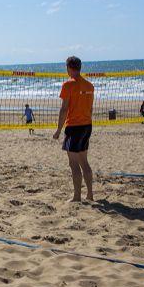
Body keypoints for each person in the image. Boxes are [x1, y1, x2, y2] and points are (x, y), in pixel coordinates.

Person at [52, 56, 94, 202]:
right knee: (84, 162)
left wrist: (58, 130)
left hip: (74, 127)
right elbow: (90, 108)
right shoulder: (89, 86)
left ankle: (77, 197)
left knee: (74, 164)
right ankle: (90, 195)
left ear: (69, 68)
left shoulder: (68, 85)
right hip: (87, 126)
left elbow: (64, 110)